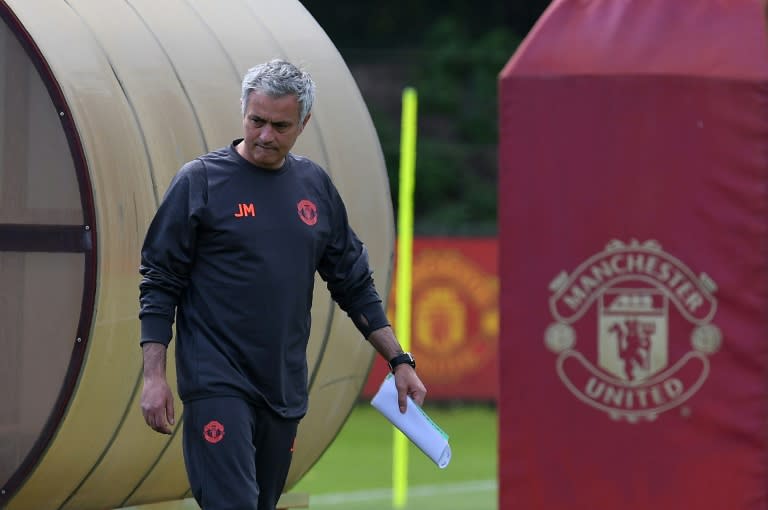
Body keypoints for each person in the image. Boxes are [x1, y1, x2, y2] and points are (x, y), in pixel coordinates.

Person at [138, 59, 427, 510]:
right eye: (256, 121)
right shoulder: (200, 182)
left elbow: (353, 284)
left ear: (303, 123)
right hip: (215, 380)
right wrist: (153, 376)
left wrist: (399, 360)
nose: (265, 136)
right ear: (243, 112)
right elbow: (159, 281)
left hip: (282, 386)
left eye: (280, 125)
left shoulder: (315, 188)